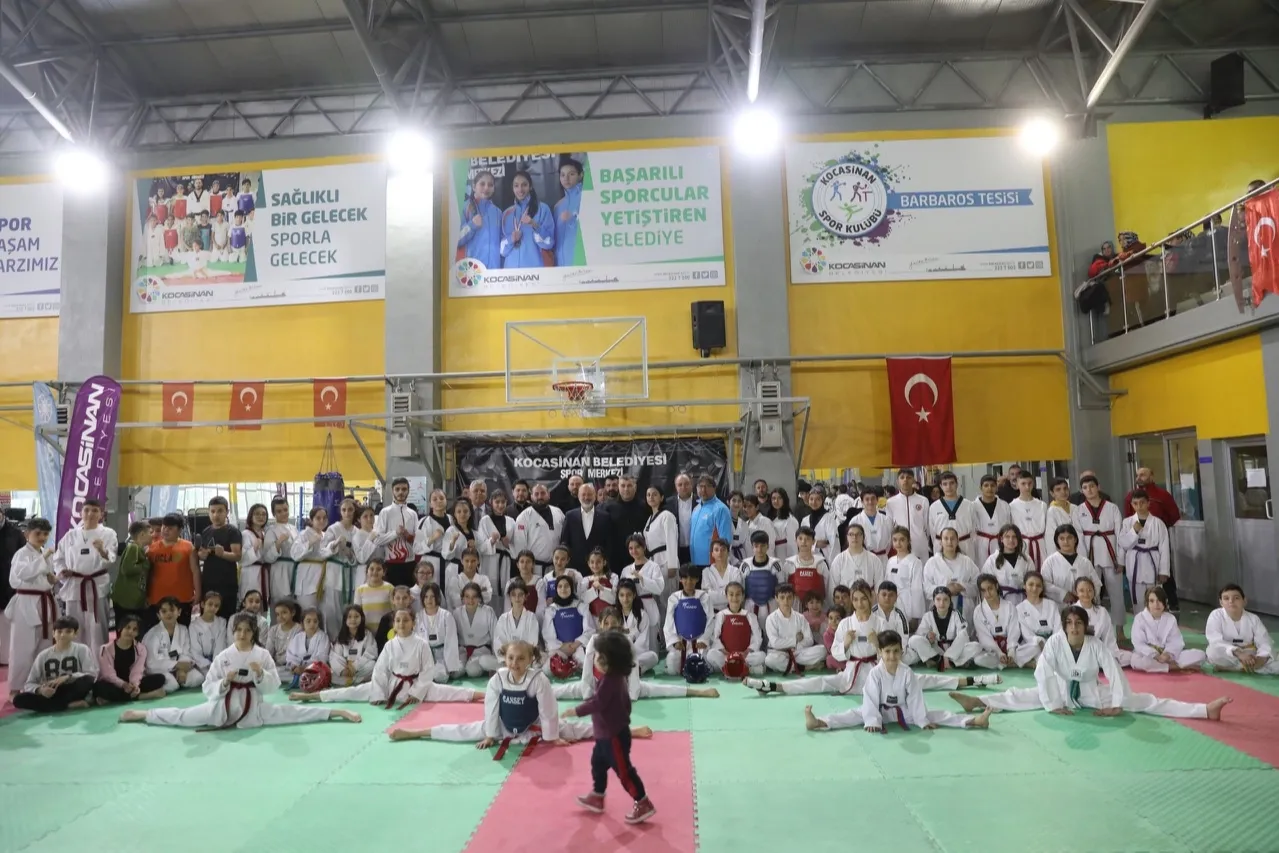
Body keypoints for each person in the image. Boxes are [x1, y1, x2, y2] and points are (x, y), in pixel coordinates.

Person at [949, 606, 1230, 721]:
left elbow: (1114, 672)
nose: (1074, 627)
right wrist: (1052, 704)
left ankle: (1204, 710)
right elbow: (1043, 672)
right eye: (1069, 623)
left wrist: (1117, 703)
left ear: (1085, 626)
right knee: (1020, 695)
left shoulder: (1095, 645)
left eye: (1078, 623)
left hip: (1092, 692)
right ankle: (977, 701)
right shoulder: (1055, 643)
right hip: (1060, 690)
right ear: (1064, 626)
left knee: (1145, 701)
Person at [123, 613, 359, 728]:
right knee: (183, 716)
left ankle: (336, 711)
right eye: (238, 630)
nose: (242, 634)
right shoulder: (224, 657)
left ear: (253, 633)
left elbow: (274, 686)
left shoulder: (262, 655)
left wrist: (260, 675)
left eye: (247, 630)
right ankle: (144, 715)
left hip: (254, 706)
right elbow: (207, 687)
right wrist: (224, 683)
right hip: (221, 707)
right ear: (233, 632)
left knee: (292, 712)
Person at [803, 630, 992, 733]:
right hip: (879, 711)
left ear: (901, 652)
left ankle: (973, 721)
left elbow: (915, 698)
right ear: (880, 653)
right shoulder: (875, 674)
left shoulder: (907, 672)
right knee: (851, 715)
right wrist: (872, 720)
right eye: (887, 651)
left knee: (937, 715)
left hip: (905, 711)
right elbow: (870, 699)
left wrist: (921, 720)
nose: (892, 656)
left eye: (895, 651)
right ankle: (819, 722)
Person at [293, 609, 481, 706]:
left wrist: (416, 692)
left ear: (413, 623)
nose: (401, 624)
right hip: (391, 685)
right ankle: (311, 696)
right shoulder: (390, 644)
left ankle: (485, 695)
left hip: (416, 685)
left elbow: (427, 671)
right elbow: (380, 670)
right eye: (398, 620)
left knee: (451, 693)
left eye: (406, 620)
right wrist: (379, 693)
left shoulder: (421, 643)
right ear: (394, 624)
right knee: (351, 692)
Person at [564, 631, 658, 824]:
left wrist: (576, 711)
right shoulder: (612, 678)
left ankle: (642, 801)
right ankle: (598, 795)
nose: (595, 659)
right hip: (604, 736)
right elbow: (624, 705)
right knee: (597, 763)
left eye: (599, 656)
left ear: (610, 661)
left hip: (614, 737)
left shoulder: (611, 681)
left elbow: (597, 703)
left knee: (624, 772)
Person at [53, 497, 117, 648]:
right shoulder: (70, 535)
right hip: (75, 585)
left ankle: (98, 660)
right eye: (86, 510)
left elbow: (111, 559)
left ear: (101, 514)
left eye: (95, 510)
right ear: (80, 513)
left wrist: (102, 550)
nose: (90, 514)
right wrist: (62, 571)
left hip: (97, 586)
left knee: (97, 628)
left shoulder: (108, 533)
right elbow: (58, 559)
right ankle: (76, 659)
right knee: (74, 626)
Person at [1072, 474, 1126, 641]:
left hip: (1111, 555)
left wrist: (1120, 559)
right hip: (1090, 555)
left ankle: (1119, 630)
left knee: (1117, 594)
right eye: (1085, 487)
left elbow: (1120, 534)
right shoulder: (1078, 510)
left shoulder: (1112, 508)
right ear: (1081, 490)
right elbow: (1078, 537)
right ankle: (1092, 628)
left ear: (1098, 487)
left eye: (1092, 486)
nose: (1089, 490)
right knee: (1091, 594)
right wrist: (1083, 561)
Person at [12, 615, 97, 712]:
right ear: (53, 633)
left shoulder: (82, 649)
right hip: (51, 692)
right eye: (59, 632)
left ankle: (53, 706)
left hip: (72, 689)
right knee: (18, 699)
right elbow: (29, 684)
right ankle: (67, 705)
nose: (63, 635)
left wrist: (68, 677)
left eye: (68, 631)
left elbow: (91, 675)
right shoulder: (43, 655)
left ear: (76, 633)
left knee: (87, 680)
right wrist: (41, 690)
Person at [1124, 467, 1182, 609]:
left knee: (1164, 573)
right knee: (1137, 587)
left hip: (1156, 540)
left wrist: (1161, 526)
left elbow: (1174, 514)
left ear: (1152, 476)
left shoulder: (1162, 495)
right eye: (1137, 475)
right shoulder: (1130, 496)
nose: (1139, 477)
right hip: (1136, 542)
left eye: (1143, 474)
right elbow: (1127, 517)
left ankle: (1171, 603)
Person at [1205, 584, 1279, 675]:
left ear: (1244, 601)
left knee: (1274, 660)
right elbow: (1215, 640)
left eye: (1236, 598)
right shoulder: (1216, 615)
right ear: (1221, 602)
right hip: (1229, 653)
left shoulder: (1253, 618)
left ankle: (1236, 669)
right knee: (1213, 652)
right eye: (1226, 598)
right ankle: (1249, 668)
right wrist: (1239, 653)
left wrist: (1261, 659)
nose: (1231, 601)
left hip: (1250, 654)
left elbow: (1264, 641)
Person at [95, 613, 168, 704]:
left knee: (160, 678)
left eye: (134, 629)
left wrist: (135, 685)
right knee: (98, 687)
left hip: (131, 683)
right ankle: (141, 696)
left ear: (138, 633)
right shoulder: (105, 649)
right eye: (127, 627)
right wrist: (123, 684)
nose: (130, 631)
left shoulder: (141, 649)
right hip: (114, 683)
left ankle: (116, 699)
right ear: (120, 628)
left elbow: (137, 671)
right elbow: (108, 674)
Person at [1118, 489, 1169, 617]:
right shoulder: (1127, 522)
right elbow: (1123, 544)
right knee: (1138, 603)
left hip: (1153, 565)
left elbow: (1164, 548)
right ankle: (1139, 627)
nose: (1139, 506)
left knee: (1155, 601)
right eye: (1135, 503)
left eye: (1142, 503)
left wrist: (1164, 570)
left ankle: (1156, 626)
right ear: (1131, 505)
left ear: (1148, 503)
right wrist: (1134, 532)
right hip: (1134, 564)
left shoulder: (1158, 523)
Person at [145, 513, 199, 631]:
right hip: (156, 597)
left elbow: (195, 571)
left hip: (182, 597)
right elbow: (146, 573)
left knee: (181, 631)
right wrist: (145, 595)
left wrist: (198, 593)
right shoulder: (151, 549)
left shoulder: (188, 547)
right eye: (164, 527)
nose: (166, 530)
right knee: (156, 633)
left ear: (179, 530)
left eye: (170, 528)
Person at [1131, 587, 1204, 673]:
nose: (1156, 604)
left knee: (1200, 654)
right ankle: (1175, 667)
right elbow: (1138, 643)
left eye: (1159, 600)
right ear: (1147, 603)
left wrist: (1168, 654)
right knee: (1137, 661)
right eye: (1152, 601)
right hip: (1149, 656)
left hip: (1168, 656)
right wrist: (1155, 655)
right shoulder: (1140, 618)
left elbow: (1176, 641)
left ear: (1165, 602)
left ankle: (1163, 666)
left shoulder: (1170, 618)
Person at [971, 574, 1036, 670]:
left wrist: (1011, 652)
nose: (988, 593)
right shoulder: (978, 611)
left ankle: (1009, 660)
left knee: (1035, 646)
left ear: (996, 586)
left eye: (990, 588)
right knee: (978, 659)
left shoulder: (1009, 606)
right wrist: (999, 653)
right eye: (984, 590)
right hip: (993, 652)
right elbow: (984, 637)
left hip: (1011, 648)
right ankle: (1015, 663)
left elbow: (1014, 631)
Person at [141, 596, 204, 693]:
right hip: (159, 669)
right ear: (158, 615)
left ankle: (179, 679)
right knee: (172, 684)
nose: (168, 613)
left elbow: (186, 652)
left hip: (179, 666)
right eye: (164, 611)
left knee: (198, 678)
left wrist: (182, 670)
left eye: (172, 610)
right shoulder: (153, 634)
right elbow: (151, 662)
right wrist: (176, 665)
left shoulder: (183, 629)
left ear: (179, 612)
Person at [908, 587, 979, 670]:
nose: (942, 603)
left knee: (975, 645)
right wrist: (927, 637)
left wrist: (950, 654)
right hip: (936, 650)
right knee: (913, 640)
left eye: (945, 599)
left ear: (950, 601)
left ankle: (948, 660)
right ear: (933, 601)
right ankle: (939, 659)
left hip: (954, 650)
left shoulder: (956, 614)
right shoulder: (928, 616)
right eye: (938, 599)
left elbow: (963, 635)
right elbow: (919, 634)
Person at [705, 582, 765, 677]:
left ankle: (732, 668)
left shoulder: (750, 616)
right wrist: (725, 652)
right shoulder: (721, 615)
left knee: (762, 656)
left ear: (742, 596)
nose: (734, 598)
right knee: (711, 654)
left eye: (738, 594)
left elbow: (757, 638)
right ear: (726, 596)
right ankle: (742, 668)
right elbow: (715, 637)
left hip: (744, 656)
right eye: (731, 594)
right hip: (726, 655)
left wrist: (746, 652)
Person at [663, 564, 714, 675]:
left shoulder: (704, 597)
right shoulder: (674, 598)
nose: (689, 581)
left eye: (692, 578)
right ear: (680, 579)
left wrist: (704, 640)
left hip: (699, 641)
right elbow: (669, 622)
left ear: (697, 579)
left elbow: (711, 619)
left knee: (706, 663)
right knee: (672, 665)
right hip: (681, 642)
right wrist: (675, 641)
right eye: (685, 578)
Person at [500, 169, 555, 268]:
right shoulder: (507, 214)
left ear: (530, 186)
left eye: (524, 185)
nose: (520, 189)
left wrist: (535, 225)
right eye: (516, 186)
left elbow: (549, 243)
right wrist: (511, 239)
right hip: (511, 270)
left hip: (535, 270)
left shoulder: (543, 209)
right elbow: (502, 251)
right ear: (512, 188)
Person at [197, 496, 241, 618]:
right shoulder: (206, 531)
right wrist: (201, 555)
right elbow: (201, 552)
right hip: (208, 581)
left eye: (220, 511)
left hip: (227, 583)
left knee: (226, 615)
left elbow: (237, 556)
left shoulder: (232, 531)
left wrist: (223, 554)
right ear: (209, 512)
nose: (216, 515)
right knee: (207, 615)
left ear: (227, 512)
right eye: (213, 511)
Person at [1071, 576, 1130, 666]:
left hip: (1099, 651)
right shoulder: (1072, 612)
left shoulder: (1102, 611)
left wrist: (1111, 654)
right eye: (1082, 591)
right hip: (1078, 653)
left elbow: (1108, 637)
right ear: (1076, 592)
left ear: (1094, 592)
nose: (1086, 594)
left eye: (1089, 590)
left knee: (1130, 657)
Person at [923, 528, 979, 621]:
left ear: (957, 541)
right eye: (946, 538)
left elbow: (977, 585)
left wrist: (962, 587)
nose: (949, 542)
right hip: (940, 608)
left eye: (952, 538)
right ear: (940, 542)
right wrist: (945, 589)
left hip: (964, 609)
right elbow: (927, 589)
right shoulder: (932, 563)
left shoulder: (967, 561)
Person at [619, 534, 664, 654]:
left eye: (637, 547)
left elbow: (659, 588)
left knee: (652, 643)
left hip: (648, 604)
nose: (634, 551)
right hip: (631, 606)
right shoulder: (626, 570)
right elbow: (621, 590)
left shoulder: (653, 566)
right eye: (631, 548)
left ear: (644, 547)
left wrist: (642, 578)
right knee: (633, 640)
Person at [1039, 524, 1100, 605]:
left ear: (1075, 539)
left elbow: (1096, 584)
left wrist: (1086, 596)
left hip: (1083, 607)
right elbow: (1045, 584)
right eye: (1062, 538)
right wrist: (1063, 594)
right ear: (1057, 541)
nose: (1066, 542)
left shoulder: (1085, 562)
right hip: (1058, 607)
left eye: (1069, 538)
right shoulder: (1050, 562)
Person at [546, 574, 595, 673]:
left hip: (579, 648)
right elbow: (547, 634)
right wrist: (562, 647)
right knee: (548, 669)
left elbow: (590, 630)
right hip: (559, 649)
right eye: (560, 586)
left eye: (566, 586)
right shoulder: (551, 609)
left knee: (586, 668)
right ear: (556, 589)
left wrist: (574, 645)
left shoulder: (581, 606)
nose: (563, 589)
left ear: (571, 588)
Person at [112, 520, 153, 638]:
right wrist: (145, 564)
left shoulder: (139, 549)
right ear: (142, 534)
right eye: (150, 533)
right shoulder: (133, 548)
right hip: (127, 601)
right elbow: (127, 569)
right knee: (126, 631)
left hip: (133, 600)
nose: (152, 536)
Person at [376, 477, 419, 587]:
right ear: (392, 491)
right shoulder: (385, 512)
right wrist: (395, 533)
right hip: (391, 563)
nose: (401, 492)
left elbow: (418, 541)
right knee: (392, 595)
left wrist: (409, 536)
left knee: (409, 594)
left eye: (404, 489)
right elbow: (378, 540)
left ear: (408, 491)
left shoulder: (413, 514)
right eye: (397, 489)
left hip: (410, 563)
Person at [561, 483, 612, 574]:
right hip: (575, 568)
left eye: (589, 494)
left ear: (595, 496)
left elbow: (609, 544)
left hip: (598, 568)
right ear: (578, 496)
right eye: (583, 494)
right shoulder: (570, 516)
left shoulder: (605, 517)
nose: (586, 497)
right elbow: (565, 542)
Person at [514, 484, 565, 573]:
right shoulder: (524, 516)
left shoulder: (558, 512)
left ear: (548, 495)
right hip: (535, 567)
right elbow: (520, 545)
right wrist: (525, 567)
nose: (540, 497)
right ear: (531, 496)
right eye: (536, 494)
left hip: (556, 565)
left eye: (543, 493)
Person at [456, 169, 502, 268]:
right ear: (474, 187)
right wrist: (472, 225)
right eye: (482, 184)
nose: (486, 188)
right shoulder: (464, 208)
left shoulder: (498, 212)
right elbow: (455, 240)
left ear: (494, 188)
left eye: (490, 185)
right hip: (473, 270)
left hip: (494, 270)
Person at [740, 530, 784, 632]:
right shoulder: (745, 565)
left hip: (771, 604)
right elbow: (741, 589)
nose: (759, 549)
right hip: (750, 604)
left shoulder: (775, 564)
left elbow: (782, 588)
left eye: (763, 546)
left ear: (768, 546)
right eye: (756, 546)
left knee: (771, 633)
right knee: (752, 634)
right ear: (752, 547)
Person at [417, 583, 461, 681]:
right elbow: (416, 642)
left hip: (442, 655)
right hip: (425, 655)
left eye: (432, 596)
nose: (429, 600)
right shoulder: (418, 617)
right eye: (426, 597)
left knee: (440, 677)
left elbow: (451, 641)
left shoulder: (446, 616)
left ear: (438, 597)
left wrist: (450, 666)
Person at [928, 472, 976, 563]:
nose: (948, 487)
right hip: (942, 545)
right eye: (945, 484)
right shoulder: (934, 507)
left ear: (957, 484)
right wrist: (943, 541)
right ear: (941, 486)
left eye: (951, 483)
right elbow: (932, 531)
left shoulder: (968, 505)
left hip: (964, 543)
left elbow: (974, 529)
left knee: (966, 569)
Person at [454, 582, 500, 677]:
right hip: (462, 651)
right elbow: (452, 638)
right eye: (467, 596)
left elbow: (495, 635)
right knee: (456, 672)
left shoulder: (488, 611)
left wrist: (496, 656)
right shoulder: (457, 613)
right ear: (462, 598)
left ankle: (500, 666)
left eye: (474, 597)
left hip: (481, 650)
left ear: (479, 598)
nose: (470, 600)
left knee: (472, 671)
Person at [884, 525, 926, 626]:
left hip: (908, 606)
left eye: (902, 540)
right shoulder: (890, 561)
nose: (898, 543)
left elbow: (917, 590)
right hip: (891, 604)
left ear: (908, 541)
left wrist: (916, 616)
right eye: (895, 540)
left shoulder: (915, 562)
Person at [1008, 471, 1050, 570]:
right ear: (1017, 485)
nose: (1027, 487)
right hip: (1021, 545)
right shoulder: (1011, 506)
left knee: (1042, 571)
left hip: (1040, 544)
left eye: (1029, 483)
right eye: (1023, 484)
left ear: (1033, 484)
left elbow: (1047, 530)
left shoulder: (1042, 505)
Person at [980, 524, 1031, 606]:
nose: (1011, 540)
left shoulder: (1026, 559)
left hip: (1023, 602)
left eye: (1014, 537)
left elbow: (1032, 580)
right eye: (1007, 537)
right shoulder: (992, 560)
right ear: (1001, 539)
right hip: (1000, 602)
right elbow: (986, 584)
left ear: (1018, 539)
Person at [329, 604, 378, 688]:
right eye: (349, 617)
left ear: (362, 618)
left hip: (359, 668)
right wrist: (343, 670)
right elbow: (335, 656)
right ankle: (355, 681)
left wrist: (355, 666)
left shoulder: (367, 634)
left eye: (356, 616)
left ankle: (350, 681)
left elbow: (371, 653)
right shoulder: (341, 636)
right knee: (333, 671)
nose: (353, 619)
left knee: (372, 665)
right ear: (345, 619)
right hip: (345, 669)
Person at [886, 469, 930, 560]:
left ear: (913, 480)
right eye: (902, 478)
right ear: (898, 481)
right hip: (900, 545)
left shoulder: (923, 500)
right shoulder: (891, 502)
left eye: (909, 477)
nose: (905, 480)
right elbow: (889, 526)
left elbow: (927, 526)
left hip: (919, 545)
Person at [689, 475, 732, 567]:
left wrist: (721, 563)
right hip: (694, 560)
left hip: (711, 562)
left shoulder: (721, 509)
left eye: (707, 486)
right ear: (696, 488)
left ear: (714, 488)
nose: (703, 490)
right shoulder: (696, 509)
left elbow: (726, 540)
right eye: (701, 486)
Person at [477, 489, 514, 597]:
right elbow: (480, 547)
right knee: (489, 590)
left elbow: (517, 546)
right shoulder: (485, 520)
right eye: (497, 502)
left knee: (505, 589)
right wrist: (491, 541)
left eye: (503, 502)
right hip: (489, 562)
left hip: (506, 562)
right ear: (491, 502)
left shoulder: (511, 521)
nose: (500, 505)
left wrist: (508, 545)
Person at [1016, 572, 1057, 665]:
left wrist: (1050, 645)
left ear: (1042, 588)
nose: (1034, 588)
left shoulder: (1052, 605)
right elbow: (1027, 634)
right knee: (1020, 652)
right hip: (1034, 645)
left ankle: (1035, 663)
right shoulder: (1019, 608)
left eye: (1038, 585)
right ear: (1024, 586)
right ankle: (1040, 661)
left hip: (1052, 644)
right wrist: (1039, 642)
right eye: (1031, 584)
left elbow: (1058, 629)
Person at [830, 524, 883, 595]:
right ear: (847, 537)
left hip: (867, 599)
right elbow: (832, 586)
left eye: (858, 534)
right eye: (851, 534)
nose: (855, 537)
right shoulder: (839, 560)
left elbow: (879, 585)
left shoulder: (874, 559)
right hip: (845, 599)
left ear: (863, 537)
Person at [284, 608, 331, 689]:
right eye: (308, 621)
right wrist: (295, 667)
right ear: (302, 623)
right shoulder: (297, 637)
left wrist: (305, 668)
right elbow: (290, 656)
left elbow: (322, 658)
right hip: (297, 670)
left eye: (315, 621)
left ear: (318, 623)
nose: (312, 624)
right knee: (280, 673)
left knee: (319, 677)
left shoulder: (323, 637)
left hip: (314, 671)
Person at [784, 527, 828, 611]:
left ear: (813, 541)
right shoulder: (789, 564)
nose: (803, 542)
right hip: (795, 607)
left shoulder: (821, 564)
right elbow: (784, 590)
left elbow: (827, 588)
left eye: (807, 539)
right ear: (796, 541)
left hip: (816, 609)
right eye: (800, 538)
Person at [971, 475, 1011, 566]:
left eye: (992, 485)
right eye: (986, 485)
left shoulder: (1004, 505)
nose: (989, 488)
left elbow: (1009, 526)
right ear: (981, 488)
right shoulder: (973, 506)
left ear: (996, 487)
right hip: (980, 543)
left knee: (1000, 567)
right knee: (981, 566)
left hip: (1000, 542)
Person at [263, 496, 297, 604]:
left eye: (285, 510)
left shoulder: (294, 529)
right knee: (280, 602)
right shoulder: (271, 531)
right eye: (279, 511)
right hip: (279, 570)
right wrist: (278, 542)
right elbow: (267, 557)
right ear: (274, 514)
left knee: (293, 604)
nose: (283, 513)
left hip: (294, 568)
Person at [493, 580, 541, 653]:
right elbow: (498, 644)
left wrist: (519, 656)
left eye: (520, 594)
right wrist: (510, 657)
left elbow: (532, 643)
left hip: (525, 657)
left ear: (525, 596)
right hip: (507, 658)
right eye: (513, 595)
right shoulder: (503, 619)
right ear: (510, 597)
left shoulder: (531, 618)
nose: (517, 598)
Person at [189, 590, 228, 679]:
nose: (213, 608)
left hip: (217, 661)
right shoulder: (194, 625)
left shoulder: (222, 622)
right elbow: (195, 650)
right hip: (201, 663)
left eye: (216, 606)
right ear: (203, 604)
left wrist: (215, 664)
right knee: (200, 678)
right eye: (210, 604)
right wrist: (207, 664)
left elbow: (220, 645)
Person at [848, 486, 892, 566]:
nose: (870, 502)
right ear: (862, 502)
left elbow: (890, 542)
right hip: (863, 559)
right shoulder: (855, 521)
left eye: (873, 498)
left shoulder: (886, 520)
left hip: (883, 559)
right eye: (867, 499)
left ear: (877, 500)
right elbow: (851, 542)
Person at [238, 503, 271, 607]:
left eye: (264, 514)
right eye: (257, 514)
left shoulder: (265, 534)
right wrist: (255, 547)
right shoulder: (245, 534)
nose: (261, 517)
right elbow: (242, 558)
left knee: (261, 601)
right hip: (250, 572)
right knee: (250, 601)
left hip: (263, 572)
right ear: (251, 516)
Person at [553, 158, 583, 266]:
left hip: (583, 262)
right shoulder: (558, 206)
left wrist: (574, 218)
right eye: (563, 175)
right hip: (561, 264)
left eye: (571, 174)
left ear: (580, 175)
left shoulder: (586, 198)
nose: (566, 178)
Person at [265, 598, 303, 681]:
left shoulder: (299, 630)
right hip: (276, 666)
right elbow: (268, 651)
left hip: (292, 666)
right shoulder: (273, 630)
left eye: (284, 613)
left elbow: (297, 654)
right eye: (277, 614)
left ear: (293, 613)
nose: (280, 617)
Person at [701, 539, 742, 614]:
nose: (720, 552)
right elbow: (707, 597)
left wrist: (714, 594)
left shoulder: (735, 571)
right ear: (712, 554)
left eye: (723, 550)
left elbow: (736, 595)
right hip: (712, 614)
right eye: (716, 550)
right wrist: (728, 594)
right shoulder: (706, 572)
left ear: (728, 553)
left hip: (732, 613)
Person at [445, 547, 493, 611]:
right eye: (467, 561)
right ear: (462, 561)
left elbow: (488, 597)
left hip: (481, 614)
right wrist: (479, 593)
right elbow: (455, 602)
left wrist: (463, 594)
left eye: (473, 561)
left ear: (478, 561)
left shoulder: (484, 579)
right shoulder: (455, 580)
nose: (470, 564)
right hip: (460, 615)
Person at [665, 473, 697, 565]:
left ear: (691, 484)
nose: (683, 487)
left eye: (686, 484)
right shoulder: (668, 504)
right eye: (680, 485)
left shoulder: (700, 502)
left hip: (696, 549)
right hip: (676, 550)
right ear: (676, 487)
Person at [353, 559, 394, 627]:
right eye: (371, 569)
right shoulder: (360, 590)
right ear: (367, 571)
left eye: (378, 569)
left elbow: (394, 611)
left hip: (385, 630)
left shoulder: (390, 588)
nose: (375, 572)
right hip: (366, 630)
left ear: (384, 572)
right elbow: (357, 613)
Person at [374, 586, 414, 653]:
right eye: (398, 598)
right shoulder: (386, 619)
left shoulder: (414, 618)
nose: (401, 601)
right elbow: (379, 642)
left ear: (410, 599)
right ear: (393, 600)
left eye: (405, 598)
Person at [770, 488, 799, 561]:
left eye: (779, 498)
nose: (776, 501)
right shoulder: (774, 517)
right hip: (775, 552)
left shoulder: (790, 520)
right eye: (773, 498)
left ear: (784, 500)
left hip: (785, 555)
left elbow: (793, 544)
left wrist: (792, 561)